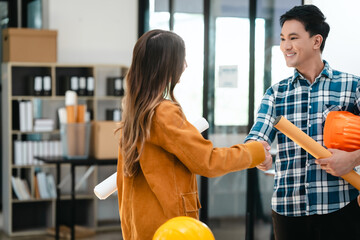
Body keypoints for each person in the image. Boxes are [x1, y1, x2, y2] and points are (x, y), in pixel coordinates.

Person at [116, 29, 272, 240]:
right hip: (172, 228)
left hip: (142, 226)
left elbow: (123, 185)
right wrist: (254, 152)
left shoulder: (135, 113)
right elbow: (207, 161)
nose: (185, 65)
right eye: (182, 59)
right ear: (166, 65)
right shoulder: (164, 112)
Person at [245, 4, 360, 240]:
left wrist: (352, 158)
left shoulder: (352, 86)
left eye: (293, 38)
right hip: (288, 210)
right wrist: (259, 153)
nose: (285, 46)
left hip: (340, 207)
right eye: (283, 39)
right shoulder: (276, 93)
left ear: (316, 41)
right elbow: (257, 135)